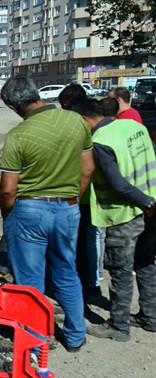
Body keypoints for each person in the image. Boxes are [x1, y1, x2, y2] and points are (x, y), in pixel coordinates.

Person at [0, 76, 94, 353]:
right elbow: (87, 169)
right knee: (66, 271)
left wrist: (9, 216)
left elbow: (7, 190)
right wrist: (72, 199)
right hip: (68, 208)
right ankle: (76, 336)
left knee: (30, 282)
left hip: (29, 210)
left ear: (14, 107)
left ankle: (37, 343)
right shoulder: (76, 121)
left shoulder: (19, 135)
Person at [69, 98, 156, 341]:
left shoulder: (101, 142)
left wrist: (143, 201)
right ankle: (150, 317)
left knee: (120, 271)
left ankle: (118, 326)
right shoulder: (135, 127)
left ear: (84, 119)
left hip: (125, 213)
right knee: (146, 263)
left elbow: (117, 183)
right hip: (151, 205)